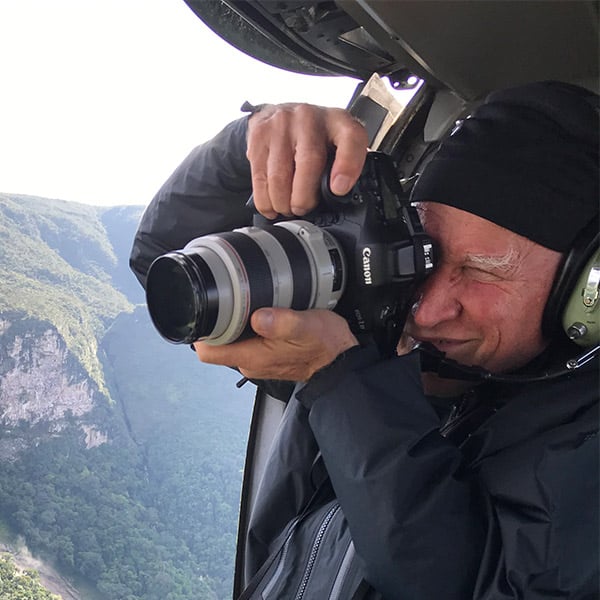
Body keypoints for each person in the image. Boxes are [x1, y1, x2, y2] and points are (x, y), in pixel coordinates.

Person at [130, 81, 599, 599]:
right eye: (427, 253)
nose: (426, 308)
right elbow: (174, 269)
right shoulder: (388, 342)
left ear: (587, 289)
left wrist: (347, 383)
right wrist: (252, 151)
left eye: (481, 271)